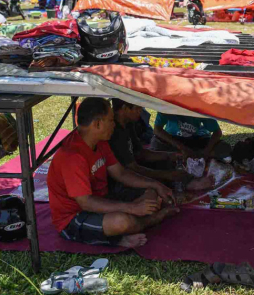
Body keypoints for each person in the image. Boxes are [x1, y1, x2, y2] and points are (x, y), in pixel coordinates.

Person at [47, 98, 179, 248]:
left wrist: (156, 184)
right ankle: (150, 220)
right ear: (97, 124)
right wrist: (131, 207)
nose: (114, 124)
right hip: (74, 217)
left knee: (150, 192)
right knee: (122, 222)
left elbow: (121, 173)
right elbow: (86, 203)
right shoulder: (72, 156)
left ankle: (136, 222)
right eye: (111, 120)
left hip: (103, 198)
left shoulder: (100, 141)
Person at [109, 99, 213, 190]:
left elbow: (141, 154)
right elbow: (132, 169)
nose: (140, 112)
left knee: (167, 163)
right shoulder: (116, 134)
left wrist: (171, 155)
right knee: (154, 187)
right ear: (124, 108)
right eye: (137, 108)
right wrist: (167, 175)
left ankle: (183, 181)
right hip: (124, 178)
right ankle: (182, 183)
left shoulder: (128, 123)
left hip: (134, 167)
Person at [150, 113, 231, 161]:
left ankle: (187, 155)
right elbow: (157, 130)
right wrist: (182, 147)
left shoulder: (199, 106)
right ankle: (190, 155)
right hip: (173, 140)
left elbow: (217, 132)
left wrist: (206, 151)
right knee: (155, 143)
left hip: (196, 140)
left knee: (224, 147)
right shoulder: (167, 105)